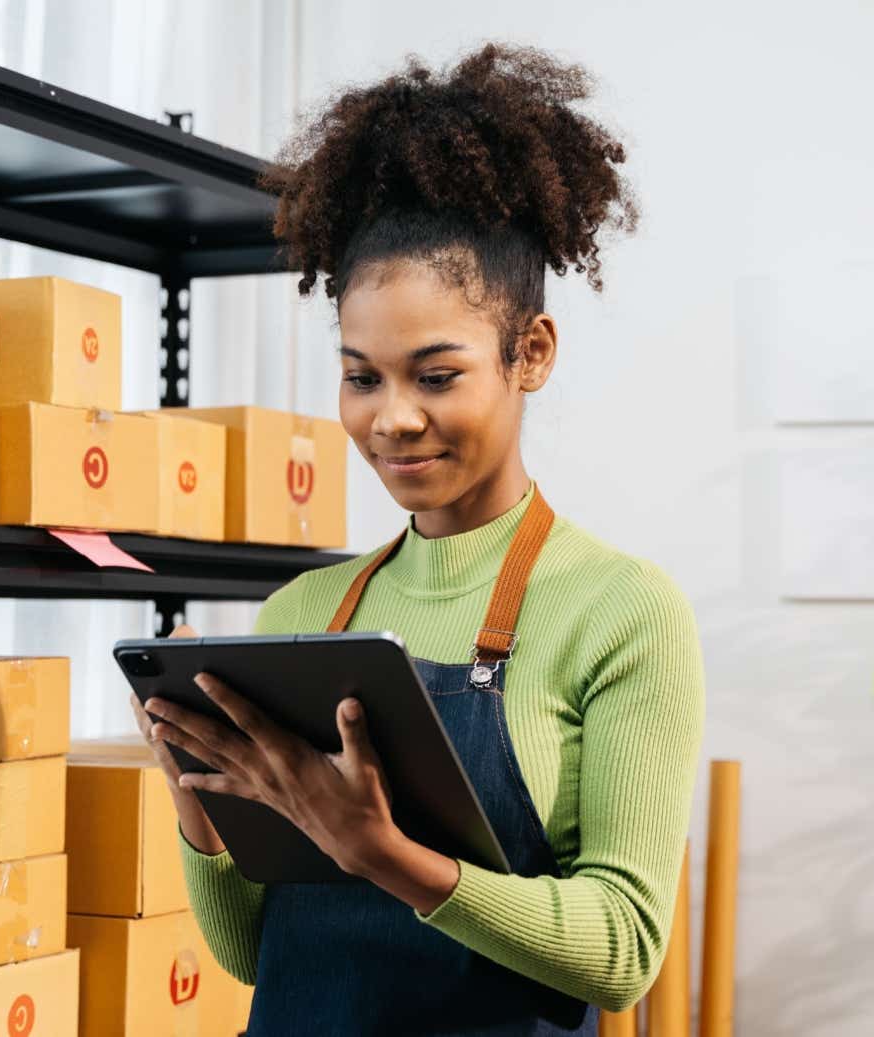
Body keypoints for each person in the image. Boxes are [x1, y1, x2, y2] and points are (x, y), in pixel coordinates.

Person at [130, 42, 704, 1036]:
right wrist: (199, 798)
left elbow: (621, 950)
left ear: (529, 353)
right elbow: (250, 952)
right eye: (363, 376)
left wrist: (381, 852)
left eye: (435, 375)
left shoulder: (619, 609)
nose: (392, 417)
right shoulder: (302, 612)